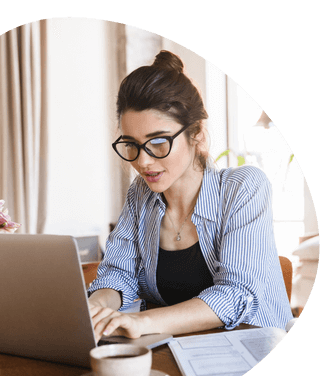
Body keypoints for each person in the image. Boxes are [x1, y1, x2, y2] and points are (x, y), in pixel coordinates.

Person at [87, 50, 293, 343]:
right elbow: (117, 274)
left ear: (196, 134)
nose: (143, 162)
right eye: (131, 144)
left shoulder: (244, 188)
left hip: (250, 351)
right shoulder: (140, 195)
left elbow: (235, 295)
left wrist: (139, 321)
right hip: (178, 356)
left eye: (158, 142)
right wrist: (97, 308)